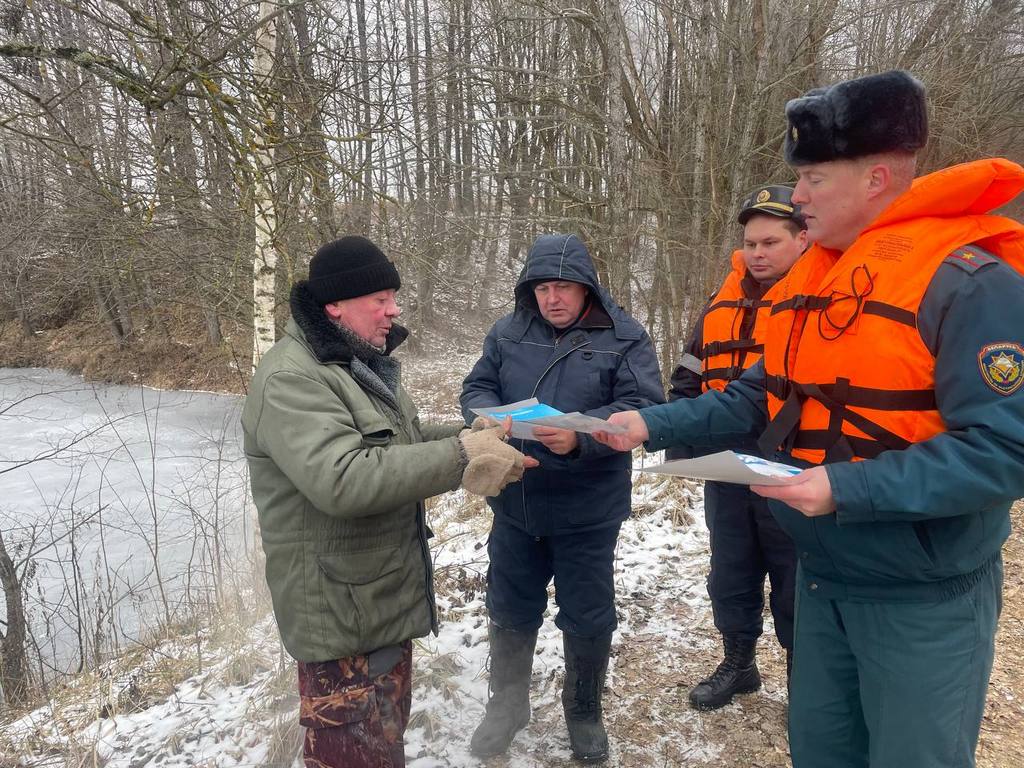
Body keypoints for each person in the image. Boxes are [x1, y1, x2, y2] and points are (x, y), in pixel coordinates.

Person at [594, 70, 1024, 767]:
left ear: (877, 178)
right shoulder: (811, 285)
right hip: (823, 578)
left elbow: (1008, 450)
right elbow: (750, 397)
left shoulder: (969, 283)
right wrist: (646, 424)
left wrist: (844, 488)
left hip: (922, 599)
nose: (796, 196)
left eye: (814, 178)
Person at [241, 235, 535, 768]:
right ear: (335, 304)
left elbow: (404, 438)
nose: (394, 310)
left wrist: (479, 433)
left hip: (375, 601)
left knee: (383, 747)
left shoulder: (355, 363)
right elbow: (343, 479)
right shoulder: (293, 378)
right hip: (338, 617)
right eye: (380, 299)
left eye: (392, 297)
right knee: (352, 756)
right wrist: (461, 455)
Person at [460, 233, 664, 762]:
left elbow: (642, 405)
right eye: (543, 287)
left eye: (565, 287)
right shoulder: (507, 332)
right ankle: (507, 706)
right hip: (516, 498)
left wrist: (583, 436)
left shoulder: (625, 335)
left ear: (587, 289)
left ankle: (583, 711)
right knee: (510, 605)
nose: (553, 298)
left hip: (589, 506)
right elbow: (476, 389)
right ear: (530, 290)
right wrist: (487, 419)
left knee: (588, 613)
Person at [667, 185, 806, 710]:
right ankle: (739, 663)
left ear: (803, 240)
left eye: (771, 242)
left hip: (791, 468)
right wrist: (682, 447)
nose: (758, 253)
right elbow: (688, 374)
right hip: (724, 464)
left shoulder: (819, 300)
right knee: (731, 572)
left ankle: (806, 679)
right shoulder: (717, 303)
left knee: (795, 579)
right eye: (751, 243)